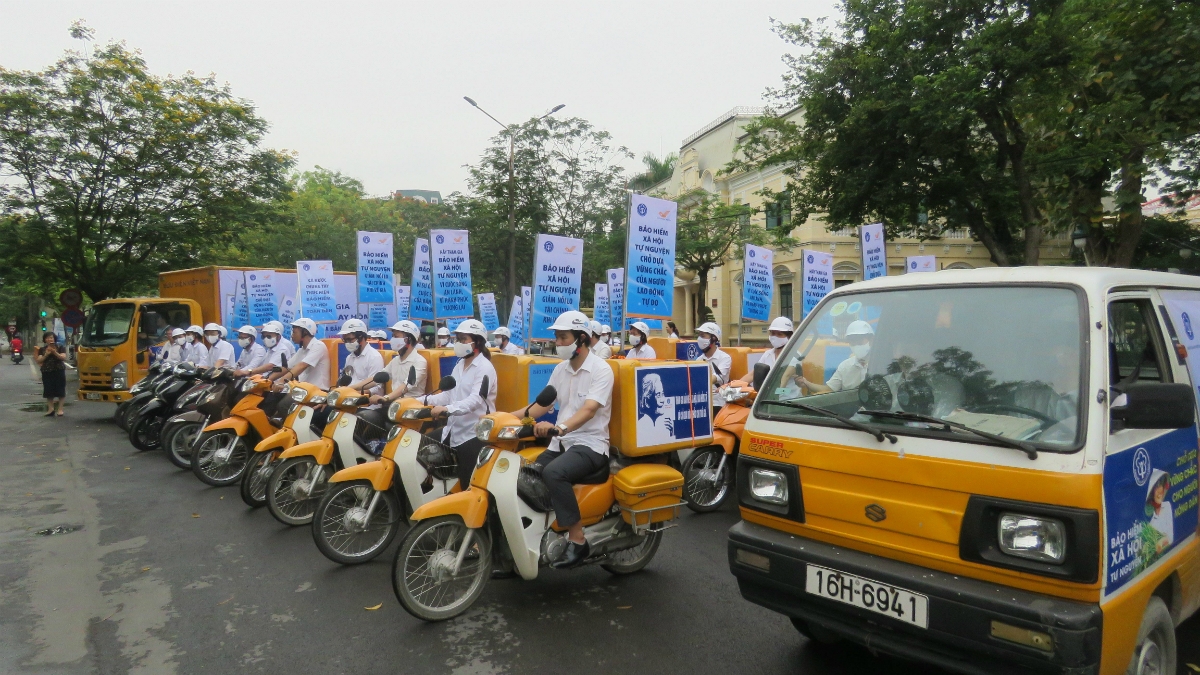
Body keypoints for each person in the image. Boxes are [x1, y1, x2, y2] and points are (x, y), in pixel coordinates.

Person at [517, 311, 614, 568]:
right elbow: (541, 405)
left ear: (581, 339)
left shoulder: (601, 370)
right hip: (561, 443)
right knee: (524, 476)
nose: (557, 343)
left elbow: (589, 409)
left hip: (590, 445)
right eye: (556, 338)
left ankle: (578, 540)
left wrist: (560, 427)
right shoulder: (560, 370)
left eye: (563, 337)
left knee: (554, 473)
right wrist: (505, 418)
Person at [423, 319, 498, 490]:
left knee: (468, 484)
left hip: (474, 433)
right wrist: (422, 401)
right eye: (457, 339)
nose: (458, 343)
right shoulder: (459, 365)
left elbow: (475, 400)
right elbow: (448, 395)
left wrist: (447, 410)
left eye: (463, 339)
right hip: (454, 428)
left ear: (477, 342)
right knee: (420, 447)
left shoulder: (485, 368)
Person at [796, 320, 873, 393]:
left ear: (871, 340)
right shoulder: (845, 367)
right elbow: (829, 389)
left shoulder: (881, 364)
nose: (856, 344)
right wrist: (806, 383)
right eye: (853, 341)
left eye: (860, 341)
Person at [373, 320, 428, 405]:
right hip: (394, 404)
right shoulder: (395, 360)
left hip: (410, 408)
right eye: (393, 336)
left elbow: (405, 387)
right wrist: (352, 388)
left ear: (407, 340)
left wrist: (385, 398)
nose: (392, 339)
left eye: (396, 336)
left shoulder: (419, 361)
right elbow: (377, 378)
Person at [271, 318, 330, 390]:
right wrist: (267, 379)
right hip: (303, 392)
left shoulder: (318, 346)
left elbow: (302, 366)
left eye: (294, 332)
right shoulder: (301, 350)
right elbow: (286, 368)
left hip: (318, 393)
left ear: (304, 332)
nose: (292, 336)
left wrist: (281, 381)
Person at [340, 319, 386, 396]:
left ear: (361, 338)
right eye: (345, 340)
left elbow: (377, 386)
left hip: (368, 404)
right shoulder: (349, 357)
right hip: (349, 400)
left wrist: (355, 393)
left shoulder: (374, 357)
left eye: (350, 339)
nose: (347, 343)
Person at [636, 372, 674, 446]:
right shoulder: (641, 425)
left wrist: (671, 433)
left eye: (662, 394)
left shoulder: (665, 424)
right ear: (647, 399)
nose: (662, 400)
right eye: (658, 395)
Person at [36, 332, 68, 416]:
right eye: (47, 338)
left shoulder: (60, 347)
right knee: (48, 390)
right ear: (45, 340)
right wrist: (46, 354)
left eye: (51, 338)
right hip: (47, 371)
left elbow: (63, 357)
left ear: (54, 339)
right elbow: (39, 360)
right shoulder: (42, 349)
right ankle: (51, 409)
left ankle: (60, 409)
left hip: (58, 370)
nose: (49, 339)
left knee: (61, 389)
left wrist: (54, 352)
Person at [696, 322, 732, 393]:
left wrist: (700, 382)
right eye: (699, 336)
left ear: (713, 338)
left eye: (703, 336)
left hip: (719, 401)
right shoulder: (699, 360)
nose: (699, 339)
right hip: (703, 399)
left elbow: (718, 376)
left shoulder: (725, 358)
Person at [1146, 469, 1174, 555]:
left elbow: (1170, 538)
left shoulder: (1167, 506)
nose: (1160, 490)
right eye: (1156, 487)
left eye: (1161, 485)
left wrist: (1161, 542)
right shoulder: (1151, 524)